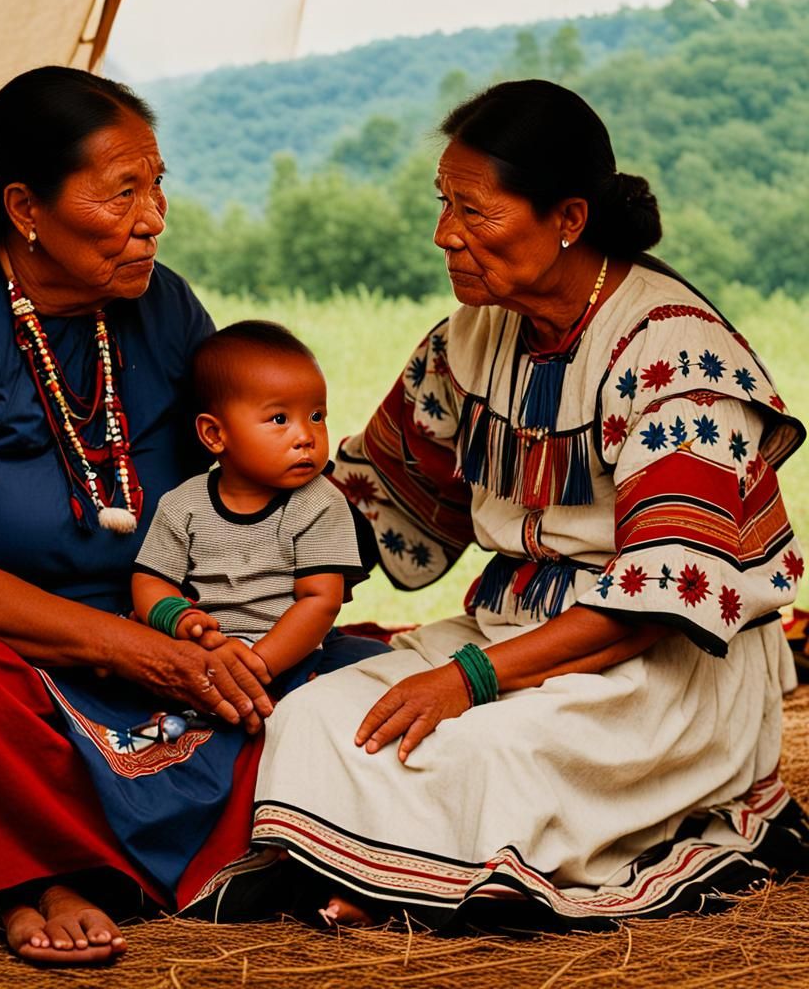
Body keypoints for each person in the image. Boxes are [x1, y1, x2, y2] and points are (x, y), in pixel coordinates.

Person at [0, 66, 383, 964]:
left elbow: (239, 477)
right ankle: (34, 877)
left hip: (150, 631)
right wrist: (138, 651)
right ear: (27, 206)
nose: (154, 218)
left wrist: (216, 621)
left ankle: (290, 853)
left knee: (362, 675)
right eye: (122, 193)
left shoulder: (159, 305)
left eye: (158, 185)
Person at [207, 80, 808, 931]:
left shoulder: (678, 359)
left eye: (474, 212)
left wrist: (470, 679)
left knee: (483, 746)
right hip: (512, 628)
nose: (444, 233)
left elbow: (659, 607)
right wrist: (206, 582)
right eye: (443, 203)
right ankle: (385, 880)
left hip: (655, 670)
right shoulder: (470, 339)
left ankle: (397, 882)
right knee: (311, 714)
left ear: (566, 217)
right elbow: (372, 505)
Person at [132, 321, 364, 690]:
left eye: (316, 416)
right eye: (279, 419)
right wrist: (177, 618)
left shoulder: (319, 502)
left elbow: (320, 601)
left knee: (354, 680)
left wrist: (257, 665)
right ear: (215, 434)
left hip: (289, 652)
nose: (306, 436)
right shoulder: (184, 505)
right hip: (202, 651)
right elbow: (151, 579)